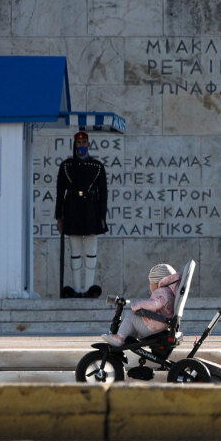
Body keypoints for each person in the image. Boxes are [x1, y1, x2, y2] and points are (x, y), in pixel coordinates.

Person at [55, 131, 109, 298]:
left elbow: (103, 194)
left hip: (91, 211)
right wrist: (59, 217)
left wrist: (101, 217)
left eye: (84, 143)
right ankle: (78, 289)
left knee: (91, 252)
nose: (82, 146)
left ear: (89, 144)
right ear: (75, 145)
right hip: (72, 210)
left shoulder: (97, 166)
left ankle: (88, 287)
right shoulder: (66, 166)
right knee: (76, 252)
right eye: (79, 143)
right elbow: (60, 193)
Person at [101, 263, 180, 347]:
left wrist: (138, 305)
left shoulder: (162, 292)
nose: (150, 286)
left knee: (131, 316)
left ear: (157, 282)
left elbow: (155, 304)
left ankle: (119, 338)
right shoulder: (169, 293)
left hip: (154, 325)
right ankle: (129, 338)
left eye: (151, 282)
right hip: (160, 323)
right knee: (135, 319)